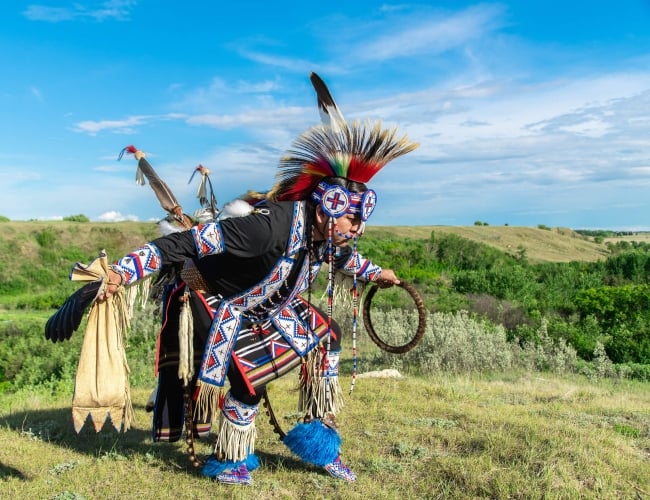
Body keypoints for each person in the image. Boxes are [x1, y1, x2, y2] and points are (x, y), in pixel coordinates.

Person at [98, 81, 418, 485]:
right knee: (248, 381)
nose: (358, 228)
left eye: (361, 219)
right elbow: (184, 242)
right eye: (352, 219)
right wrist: (121, 273)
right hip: (219, 300)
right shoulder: (264, 231)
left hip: (269, 304)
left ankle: (319, 440)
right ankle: (229, 459)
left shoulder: (323, 235)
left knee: (327, 336)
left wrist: (378, 274)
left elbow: (341, 256)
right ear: (326, 209)